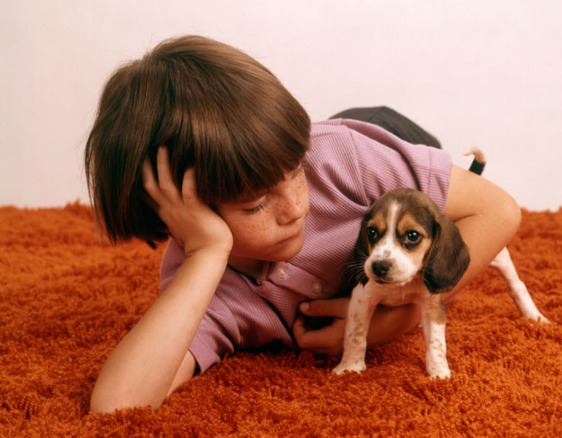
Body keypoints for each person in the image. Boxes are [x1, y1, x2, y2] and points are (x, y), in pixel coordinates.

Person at [84, 35, 522, 413]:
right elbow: (118, 405)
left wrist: (402, 317)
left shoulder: (338, 156)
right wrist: (206, 253)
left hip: (379, 137)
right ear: (179, 217)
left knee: (398, 149)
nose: (295, 207)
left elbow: (498, 210)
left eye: (294, 172)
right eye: (255, 203)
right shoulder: (212, 290)